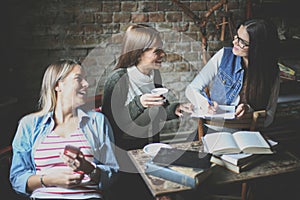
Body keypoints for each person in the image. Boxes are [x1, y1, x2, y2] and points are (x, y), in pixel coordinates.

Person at [101, 24, 192, 200]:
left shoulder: (153, 75)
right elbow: (110, 127)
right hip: (125, 158)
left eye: (161, 49)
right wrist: (139, 103)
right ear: (139, 52)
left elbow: (159, 107)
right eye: (156, 51)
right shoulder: (117, 79)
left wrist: (175, 108)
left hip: (152, 149)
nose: (162, 55)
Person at [9, 59, 119, 200]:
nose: (86, 84)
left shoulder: (97, 121)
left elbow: (113, 174)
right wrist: (48, 180)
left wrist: (87, 168)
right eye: (79, 79)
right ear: (58, 85)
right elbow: (17, 178)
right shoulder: (29, 124)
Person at [185, 18, 280, 133]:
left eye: (242, 42)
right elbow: (191, 89)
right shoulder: (224, 55)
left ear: (257, 48)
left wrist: (248, 110)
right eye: (236, 36)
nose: (234, 42)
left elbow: (269, 117)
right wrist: (205, 104)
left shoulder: (271, 71)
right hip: (214, 130)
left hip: (250, 134)